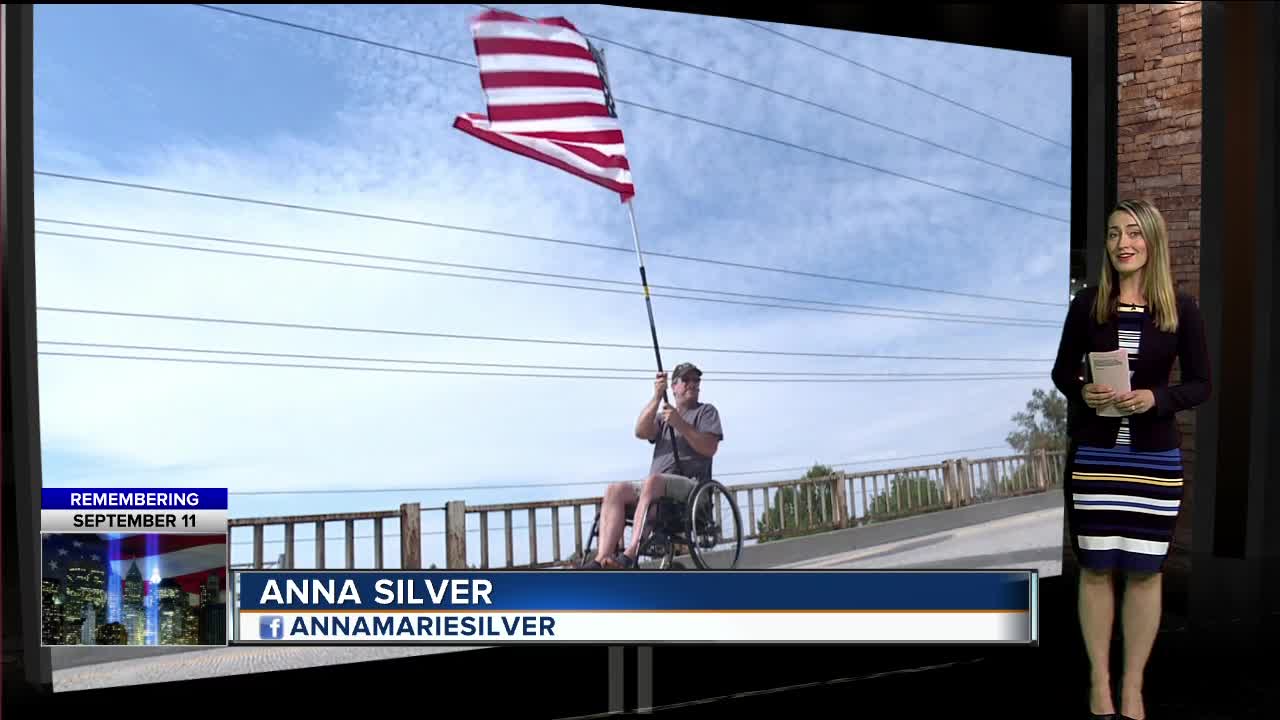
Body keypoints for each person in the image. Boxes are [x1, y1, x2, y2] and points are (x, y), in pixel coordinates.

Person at [1050, 199, 1211, 720]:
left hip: (1155, 462)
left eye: (1134, 233)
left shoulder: (1180, 308)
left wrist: (1155, 400)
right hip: (1096, 459)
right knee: (1096, 570)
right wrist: (1086, 391)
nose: (1123, 242)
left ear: (1153, 242)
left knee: (1145, 573)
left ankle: (1133, 685)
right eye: (1115, 233)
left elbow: (1201, 384)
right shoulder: (1088, 305)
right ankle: (1099, 681)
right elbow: (1061, 374)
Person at [582, 362, 723, 570]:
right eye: (686, 380)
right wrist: (657, 397)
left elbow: (709, 448)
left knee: (653, 481)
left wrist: (680, 424)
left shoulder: (706, 412)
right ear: (673, 387)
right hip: (655, 489)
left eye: (696, 380)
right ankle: (602, 559)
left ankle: (629, 555)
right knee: (614, 490)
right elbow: (640, 431)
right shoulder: (664, 417)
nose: (693, 384)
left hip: (692, 489)